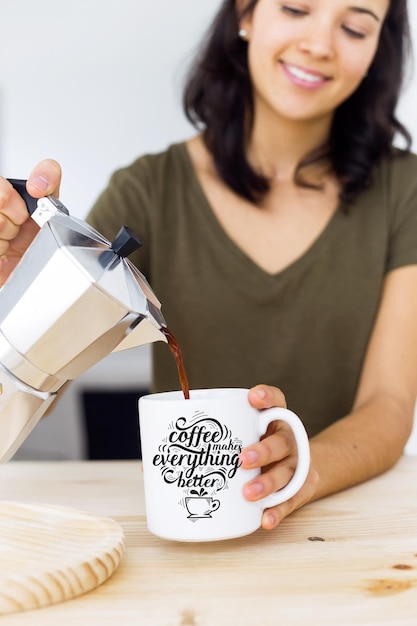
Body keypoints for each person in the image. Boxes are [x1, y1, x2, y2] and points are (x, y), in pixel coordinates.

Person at [1, 0, 417, 531]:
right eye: (295, 9)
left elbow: (389, 404)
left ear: (378, 49)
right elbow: (36, 396)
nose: (320, 43)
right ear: (245, 13)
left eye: (356, 27)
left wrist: (304, 469)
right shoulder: (150, 189)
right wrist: (22, 303)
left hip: (345, 526)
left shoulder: (404, 192)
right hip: (185, 536)